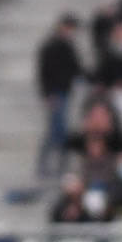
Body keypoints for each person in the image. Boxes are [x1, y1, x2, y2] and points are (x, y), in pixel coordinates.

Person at [36, 13, 84, 177]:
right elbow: (44, 73)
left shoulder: (68, 46)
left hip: (64, 91)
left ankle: (60, 165)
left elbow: (76, 68)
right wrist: (48, 94)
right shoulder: (51, 46)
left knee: (59, 130)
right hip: (56, 93)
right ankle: (47, 165)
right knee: (56, 130)